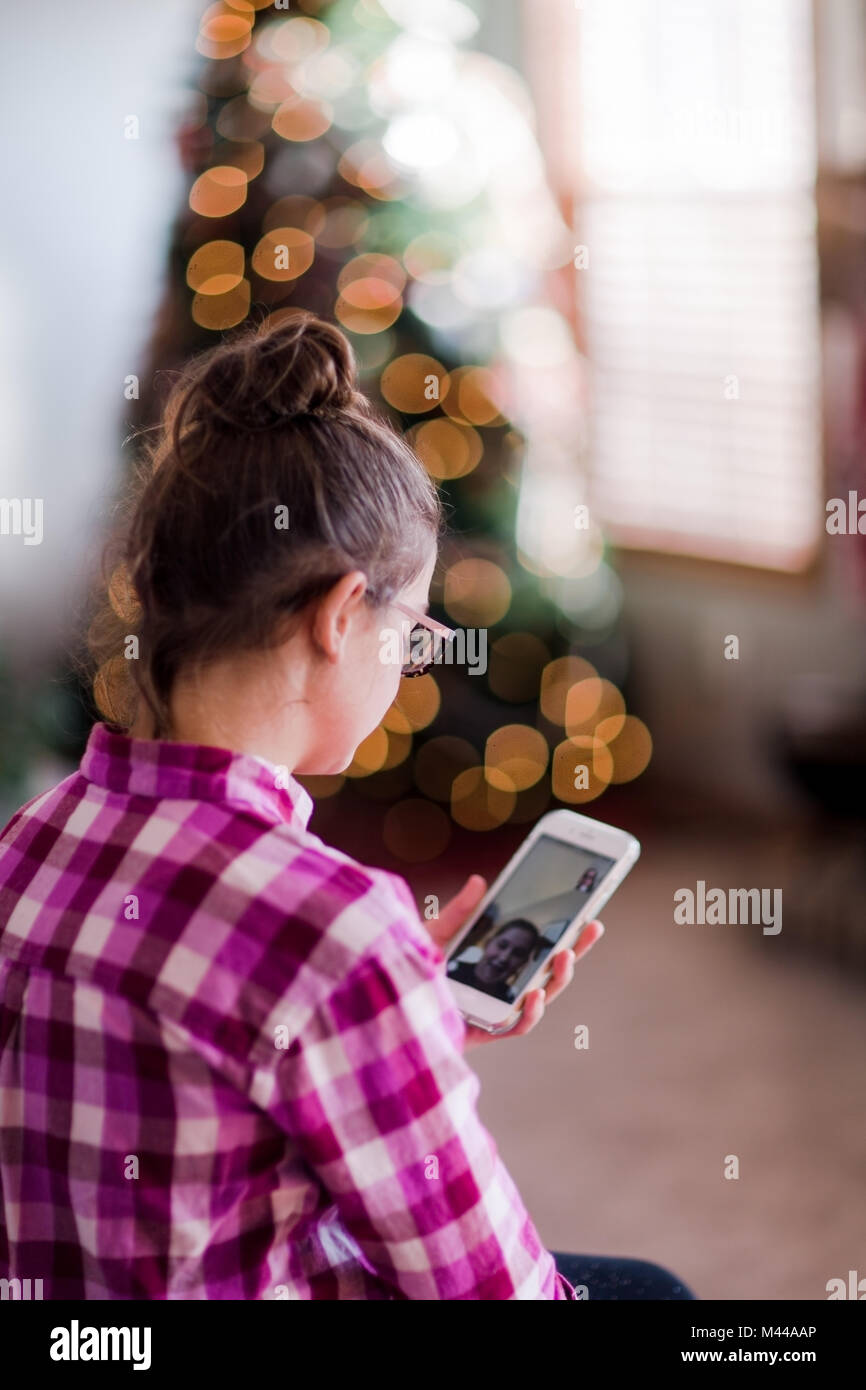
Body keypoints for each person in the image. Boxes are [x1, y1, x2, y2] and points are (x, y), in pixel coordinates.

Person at [0, 313, 695, 1300]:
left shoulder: (33, 837)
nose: (410, 663)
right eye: (409, 629)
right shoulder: (333, 928)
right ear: (338, 617)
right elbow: (487, 1285)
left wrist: (410, 1020)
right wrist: (378, 983)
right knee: (651, 1293)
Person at [447, 917, 541, 1001]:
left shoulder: (512, 1001)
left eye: (518, 953)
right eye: (502, 945)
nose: (504, 958)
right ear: (488, 943)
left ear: (523, 963)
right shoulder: (447, 970)